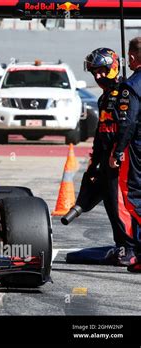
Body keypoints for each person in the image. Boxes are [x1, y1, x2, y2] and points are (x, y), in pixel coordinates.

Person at [83, 47, 137, 266]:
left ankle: (130, 248)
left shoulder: (126, 92)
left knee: (119, 205)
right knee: (110, 205)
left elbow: (128, 127)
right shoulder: (104, 97)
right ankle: (121, 244)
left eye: (102, 71)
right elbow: (100, 133)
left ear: (113, 66)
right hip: (105, 160)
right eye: (94, 72)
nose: (98, 76)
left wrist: (117, 153)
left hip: (121, 160)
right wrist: (94, 162)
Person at [109, 37, 141, 268]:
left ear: (131, 58)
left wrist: (118, 150)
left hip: (137, 149)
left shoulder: (131, 86)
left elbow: (127, 122)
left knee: (133, 197)